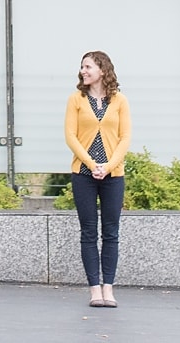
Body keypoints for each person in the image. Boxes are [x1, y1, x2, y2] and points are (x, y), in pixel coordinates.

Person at [63, 50, 130, 308]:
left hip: (113, 175)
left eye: (88, 66)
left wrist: (108, 166)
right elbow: (71, 136)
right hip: (83, 174)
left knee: (111, 232)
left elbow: (125, 137)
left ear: (102, 69)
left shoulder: (120, 100)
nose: (83, 71)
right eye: (82, 67)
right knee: (89, 232)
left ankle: (108, 288)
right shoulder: (76, 99)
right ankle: (94, 290)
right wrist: (92, 165)